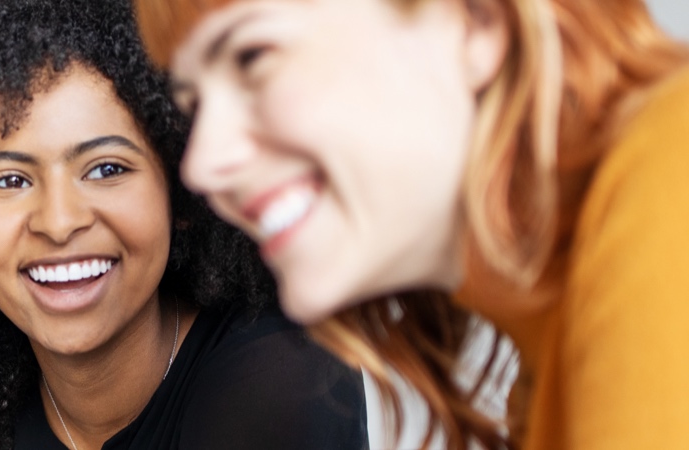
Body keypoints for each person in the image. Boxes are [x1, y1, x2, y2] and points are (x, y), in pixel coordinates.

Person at [0, 0, 368, 448]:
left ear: (185, 190)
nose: (59, 221)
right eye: (8, 180)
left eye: (105, 168)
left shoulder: (280, 379)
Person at [132, 0, 689, 448]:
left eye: (253, 56)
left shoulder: (669, 170)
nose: (201, 164)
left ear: (476, 21)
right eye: (196, 104)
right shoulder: (543, 365)